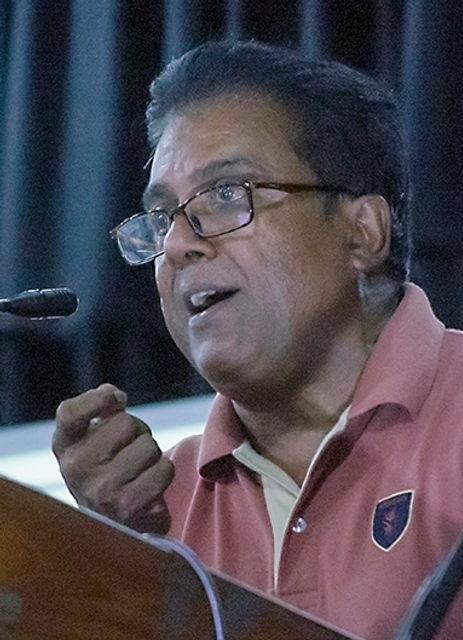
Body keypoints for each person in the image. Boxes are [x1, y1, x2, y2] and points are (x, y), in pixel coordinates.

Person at [52, 40, 463, 640]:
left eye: (226, 195)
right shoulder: (158, 506)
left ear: (362, 232)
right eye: (162, 219)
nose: (177, 245)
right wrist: (105, 560)